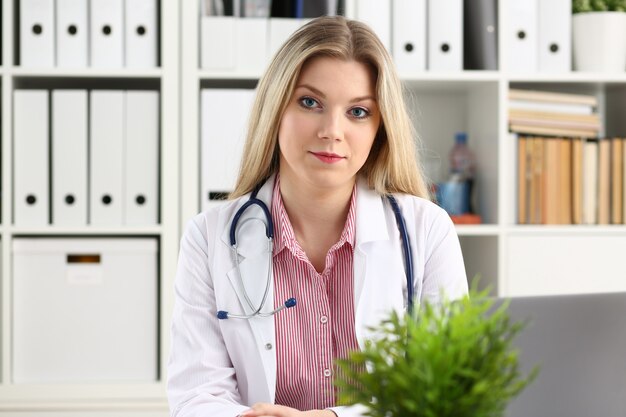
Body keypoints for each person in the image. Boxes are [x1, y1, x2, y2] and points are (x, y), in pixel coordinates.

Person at [168, 15, 468, 417]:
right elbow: (195, 395)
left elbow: (446, 395)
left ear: (381, 127)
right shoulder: (209, 237)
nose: (332, 130)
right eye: (310, 102)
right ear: (276, 109)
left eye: (358, 112)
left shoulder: (426, 231)